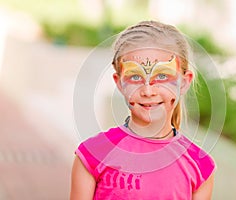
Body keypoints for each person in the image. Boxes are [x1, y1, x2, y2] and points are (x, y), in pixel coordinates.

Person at [70, 20, 216, 200]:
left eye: (162, 76)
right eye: (135, 76)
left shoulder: (200, 166)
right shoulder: (92, 154)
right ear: (119, 83)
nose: (148, 91)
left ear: (184, 82)